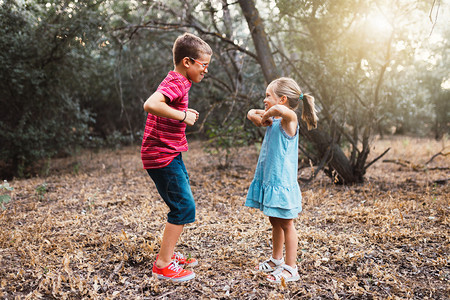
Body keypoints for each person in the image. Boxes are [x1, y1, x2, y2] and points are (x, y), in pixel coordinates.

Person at [141, 32, 212, 282]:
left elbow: (164, 107)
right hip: (160, 155)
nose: (205, 71)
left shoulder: (180, 81)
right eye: (203, 65)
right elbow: (150, 104)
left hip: (171, 152)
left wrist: (180, 111)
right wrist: (182, 116)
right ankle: (162, 264)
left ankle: (168, 254)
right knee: (183, 207)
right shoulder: (176, 82)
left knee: (182, 202)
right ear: (187, 62)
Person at [246, 77, 318, 283]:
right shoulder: (275, 120)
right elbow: (254, 114)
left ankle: (291, 268)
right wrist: (253, 114)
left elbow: (283, 111)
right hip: (271, 180)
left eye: (268, 96)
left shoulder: (289, 119)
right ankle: (276, 260)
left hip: (283, 184)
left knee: (287, 223)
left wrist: (265, 113)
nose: (264, 100)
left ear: (283, 99)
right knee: (274, 220)